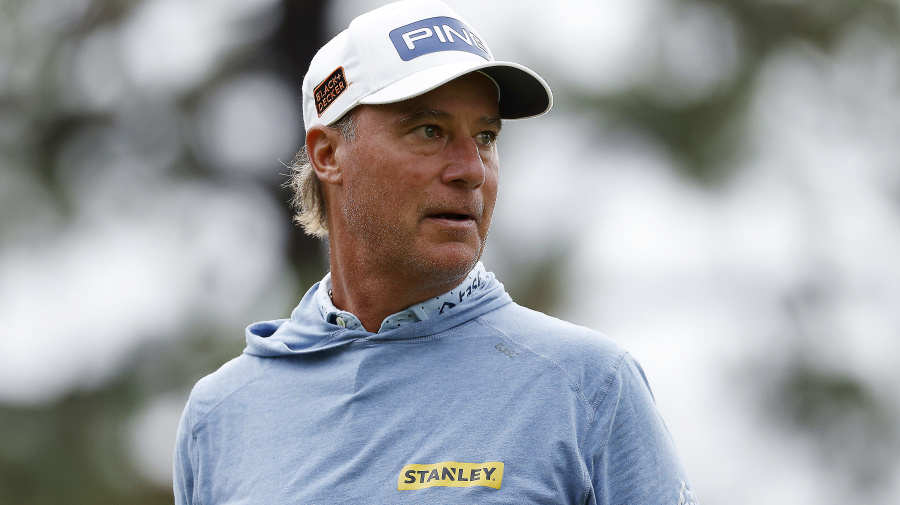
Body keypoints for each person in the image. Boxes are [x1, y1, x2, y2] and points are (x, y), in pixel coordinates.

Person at [173, 1, 697, 504]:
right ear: (329, 155)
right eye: (430, 131)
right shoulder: (220, 415)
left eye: (486, 136)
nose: (471, 169)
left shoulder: (589, 387)